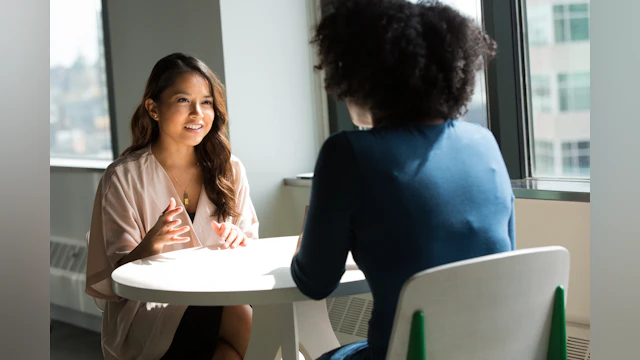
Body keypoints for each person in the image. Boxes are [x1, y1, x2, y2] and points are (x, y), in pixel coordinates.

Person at [290, 1, 514, 359]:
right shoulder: (484, 144)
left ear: (361, 78)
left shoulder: (347, 153)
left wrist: (306, 246)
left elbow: (315, 282)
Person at [85, 53, 258, 360]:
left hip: (222, 297)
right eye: (183, 100)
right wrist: (148, 247)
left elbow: (251, 251)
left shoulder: (230, 169)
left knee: (236, 335)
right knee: (242, 320)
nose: (198, 113)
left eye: (206, 102)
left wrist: (238, 240)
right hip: (149, 312)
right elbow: (116, 280)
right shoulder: (123, 177)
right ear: (153, 108)